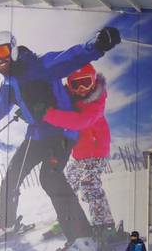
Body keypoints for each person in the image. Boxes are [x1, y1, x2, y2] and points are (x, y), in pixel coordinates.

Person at [0, 27, 121, 251]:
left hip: (62, 133)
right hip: (36, 135)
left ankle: (82, 240)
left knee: (50, 178)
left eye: (2, 52)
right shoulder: (8, 85)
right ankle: (7, 224)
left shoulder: (41, 65)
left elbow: (72, 57)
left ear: (13, 50)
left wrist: (97, 45)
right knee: (12, 176)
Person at [42, 64, 115, 238]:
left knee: (89, 185)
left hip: (96, 152)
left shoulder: (97, 102)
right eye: (76, 84)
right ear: (70, 85)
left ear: (94, 81)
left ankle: (105, 226)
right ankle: (67, 220)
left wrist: (47, 114)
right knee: (66, 185)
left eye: (86, 82)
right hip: (78, 155)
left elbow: (81, 121)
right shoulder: (69, 101)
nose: (81, 88)